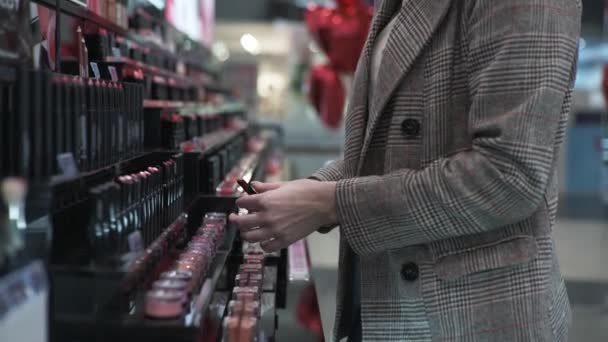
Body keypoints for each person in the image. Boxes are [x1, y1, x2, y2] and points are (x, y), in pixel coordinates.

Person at [230, 0, 582, 340]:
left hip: (469, 313)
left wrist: (332, 203)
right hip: (384, 298)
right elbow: (394, 150)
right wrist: (311, 190)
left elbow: (508, 175)